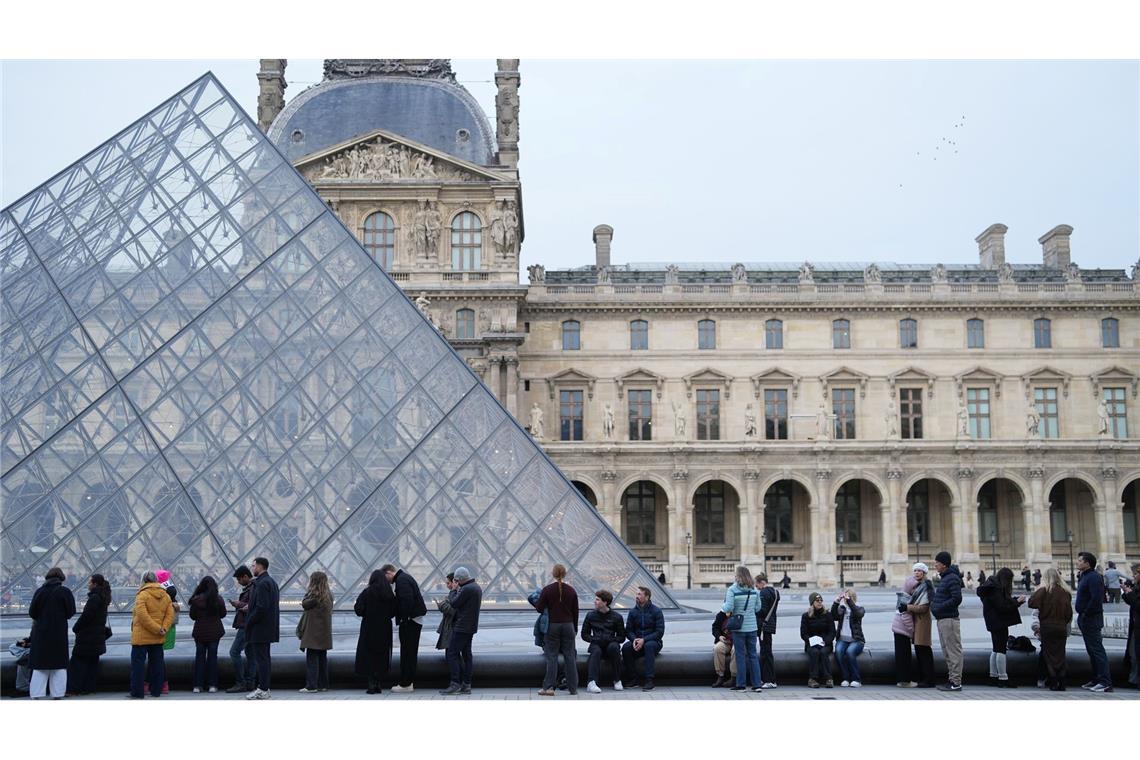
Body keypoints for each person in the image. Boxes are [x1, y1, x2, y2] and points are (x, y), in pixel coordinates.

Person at [28, 567, 76, 699]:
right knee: (59, 666)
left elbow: (32, 612)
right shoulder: (65, 592)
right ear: (61, 579)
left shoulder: (39, 592)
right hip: (58, 633)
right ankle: (58, 694)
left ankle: (37, 694)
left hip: (41, 634)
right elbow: (71, 612)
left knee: (40, 666)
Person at [535, 563, 580, 696]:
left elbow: (539, 608)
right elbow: (575, 612)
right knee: (570, 657)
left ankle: (549, 687)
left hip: (553, 626)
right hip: (568, 626)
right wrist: (574, 628)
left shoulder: (547, 590)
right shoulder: (571, 591)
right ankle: (573, 688)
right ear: (565, 574)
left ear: (553, 574)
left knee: (552, 657)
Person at [128, 571, 174, 699]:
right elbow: (170, 615)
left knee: (138, 666)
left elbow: (142, 616)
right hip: (158, 637)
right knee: (157, 665)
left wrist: (156, 629)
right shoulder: (165, 595)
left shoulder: (142, 595)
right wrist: (163, 628)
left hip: (141, 637)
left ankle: (137, 692)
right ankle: (156, 691)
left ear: (143, 580)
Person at [976, 567, 1025, 688]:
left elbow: (1000, 603)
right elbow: (1002, 607)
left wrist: (1015, 601)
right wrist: (1017, 602)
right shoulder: (996, 588)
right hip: (999, 622)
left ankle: (993, 676)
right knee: (1001, 649)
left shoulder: (990, 586)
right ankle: (1003, 678)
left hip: (992, 621)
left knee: (996, 649)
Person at [382, 564, 426, 693]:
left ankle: (406, 684)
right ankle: (407, 682)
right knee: (409, 653)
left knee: (407, 653)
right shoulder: (404, 578)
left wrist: (404, 620)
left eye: (385, 577)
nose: (386, 581)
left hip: (410, 622)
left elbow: (407, 601)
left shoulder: (401, 581)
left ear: (389, 572)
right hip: (413, 621)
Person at [1028, 567, 1072, 691]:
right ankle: (1062, 681)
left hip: (1047, 627)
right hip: (1061, 627)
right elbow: (1069, 614)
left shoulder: (1044, 590)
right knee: (1060, 654)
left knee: (1049, 655)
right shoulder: (1066, 592)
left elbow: (1031, 603)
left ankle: (1053, 681)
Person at [440, 566, 482, 695]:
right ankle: (466, 684)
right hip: (471, 627)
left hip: (462, 626)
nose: (455, 582)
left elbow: (454, 603)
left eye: (456, 580)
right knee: (467, 655)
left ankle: (455, 683)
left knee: (452, 653)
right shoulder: (476, 587)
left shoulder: (466, 589)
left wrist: (454, 590)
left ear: (460, 579)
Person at [354, 569, 396, 694]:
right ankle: (378, 683)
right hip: (384, 628)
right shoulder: (389, 594)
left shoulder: (367, 592)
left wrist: (366, 613)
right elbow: (393, 612)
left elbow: (358, 609)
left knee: (369, 655)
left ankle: (371, 684)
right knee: (381, 655)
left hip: (369, 627)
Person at [720, 566, 762, 692]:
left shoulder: (732, 589)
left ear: (738, 576)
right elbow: (758, 608)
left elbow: (728, 607)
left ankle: (741, 685)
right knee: (753, 655)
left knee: (740, 656)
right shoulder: (754, 589)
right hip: (752, 627)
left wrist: (723, 606)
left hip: (739, 628)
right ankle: (757, 685)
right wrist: (749, 611)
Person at [68, 574, 111, 695]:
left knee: (77, 663)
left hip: (87, 637)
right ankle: (89, 688)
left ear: (95, 584)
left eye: (89, 582)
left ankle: (74, 689)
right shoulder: (103, 597)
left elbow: (86, 616)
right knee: (92, 663)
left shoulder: (94, 598)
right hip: (97, 637)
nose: (88, 584)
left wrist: (76, 628)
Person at [1074, 551, 1112, 692]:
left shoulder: (1094, 577)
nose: (1077, 562)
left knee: (1097, 650)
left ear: (1087, 563)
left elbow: (1096, 598)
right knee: (1092, 650)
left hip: (1091, 618)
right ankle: (1097, 678)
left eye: (1080, 560)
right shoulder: (1084, 576)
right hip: (1085, 618)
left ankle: (1105, 681)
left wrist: (1085, 613)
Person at [244, 556, 280, 700]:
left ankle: (263, 689)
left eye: (253, 566)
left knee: (261, 660)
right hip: (267, 627)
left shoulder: (262, 583)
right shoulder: (271, 582)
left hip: (260, 628)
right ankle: (265, 687)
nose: (252, 568)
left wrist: (249, 621)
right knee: (265, 659)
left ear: (260, 566)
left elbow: (261, 607)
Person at [931, 551, 964, 691]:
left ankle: (956, 682)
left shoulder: (952, 578)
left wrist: (939, 607)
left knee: (953, 651)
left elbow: (957, 599)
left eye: (937, 563)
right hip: (943, 618)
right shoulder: (946, 578)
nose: (935, 565)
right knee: (947, 651)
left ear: (944, 564)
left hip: (949, 619)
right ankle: (952, 679)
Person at [188, 575, 227, 694]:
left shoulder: (196, 600)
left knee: (199, 658)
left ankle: (197, 685)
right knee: (212, 658)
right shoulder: (218, 599)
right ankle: (212, 685)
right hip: (215, 632)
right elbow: (223, 614)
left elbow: (192, 616)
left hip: (200, 632)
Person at [581, 589, 625, 693]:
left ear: (605, 602)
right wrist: (595, 639)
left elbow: (622, 637)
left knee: (614, 647)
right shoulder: (590, 615)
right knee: (596, 651)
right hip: (596, 643)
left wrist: (610, 639)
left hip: (610, 644)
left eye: (597, 599)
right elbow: (584, 634)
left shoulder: (617, 617)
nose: (594, 601)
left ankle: (617, 680)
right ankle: (591, 682)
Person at [622, 586, 665, 691]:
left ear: (647, 597)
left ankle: (649, 681)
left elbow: (659, 632)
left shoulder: (657, 611)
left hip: (654, 642)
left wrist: (644, 640)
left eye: (639, 594)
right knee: (626, 648)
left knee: (648, 646)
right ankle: (633, 679)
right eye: (636, 594)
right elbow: (628, 630)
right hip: (637, 641)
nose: (636, 596)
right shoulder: (633, 612)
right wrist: (634, 640)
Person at [298, 571, 333, 694]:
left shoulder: (314, 596)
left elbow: (304, 604)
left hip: (313, 633)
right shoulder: (328, 596)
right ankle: (323, 684)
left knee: (312, 659)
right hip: (324, 633)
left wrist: (308, 592)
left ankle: (311, 686)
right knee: (322, 659)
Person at [225, 565, 257, 693]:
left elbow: (253, 605)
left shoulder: (253, 588)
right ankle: (250, 683)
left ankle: (241, 682)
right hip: (251, 625)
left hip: (246, 625)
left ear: (245, 576)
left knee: (234, 652)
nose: (238, 582)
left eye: (239, 579)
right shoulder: (253, 587)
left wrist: (239, 604)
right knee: (251, 654)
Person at [831, 589, 865, 687]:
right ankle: (845, 678)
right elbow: (833, 616)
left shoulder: (859, 608)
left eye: (848, 598)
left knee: (850, 652)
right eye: (845, 598)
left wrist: (849, 602)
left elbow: (858, 614)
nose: (846, 600)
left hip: (856, 640)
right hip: (842, 639)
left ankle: (856, 679)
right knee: (838, 652)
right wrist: (836, 602)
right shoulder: (842, 609)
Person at [892, 570, 920, 687]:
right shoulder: (907, 598)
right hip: (902, 629)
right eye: (914, 588)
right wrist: (912, 631)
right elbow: (906, 616)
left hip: (898, 628)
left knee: (901, 655)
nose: (915, 590)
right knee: (904, 656)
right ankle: (905, 681)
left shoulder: (903, 596)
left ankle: (901, 680)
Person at [800, 592, 834, 688]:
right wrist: (811, 641)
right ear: (812, 603)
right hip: (812, 644)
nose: (819, 602)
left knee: (823, 652)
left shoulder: (828, 615)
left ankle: (828, 678)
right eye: (817, 601)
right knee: (814, 652)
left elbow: (832, 632)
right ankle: (813, 679)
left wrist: (826, 641)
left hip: (825, 643)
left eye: (821, 600)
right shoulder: (806, 616)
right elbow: (803, 634)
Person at [754, 572, 780, 689]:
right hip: (771, 624)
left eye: (756, 585)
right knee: (767, 652)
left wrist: (754, 609)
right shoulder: (775, 592)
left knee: (765, 653)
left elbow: (763, 611)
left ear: (761, 583)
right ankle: (771, 679)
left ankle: (768, 680)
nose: (756, 587)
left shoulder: (763, 593)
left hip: (764, 626)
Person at [1122, 563, 1140, 689]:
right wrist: (1126, 592)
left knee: (1136, 654)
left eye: (1136, 574)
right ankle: (1133, 679)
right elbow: (1132, 602)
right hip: (1135, 625)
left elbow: (1138, 605)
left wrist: (1130, 594)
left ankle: (1135, 679)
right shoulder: (1137, 587)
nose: (1133, 576)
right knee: (1133, 653)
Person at [710, 606, 737, 687]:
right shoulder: (721, 614)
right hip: (725, 641)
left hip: (737, 641)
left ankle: (734, 677)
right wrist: (719, 636)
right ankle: (720, 676)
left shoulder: (739, 612)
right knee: (718, 648)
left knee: (735, 650)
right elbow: (715, 628)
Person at [434, 572, 457, 651]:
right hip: (451, 626)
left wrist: (441, 605)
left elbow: (452, 610)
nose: (447, 586)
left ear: (454, 582)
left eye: (448, 583)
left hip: (451, 627)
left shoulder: (455, 594)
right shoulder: (454, 593)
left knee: (450, 651)